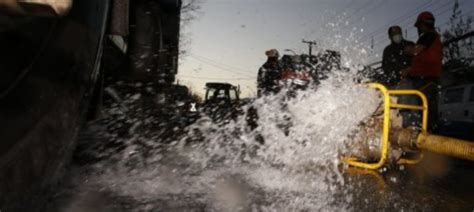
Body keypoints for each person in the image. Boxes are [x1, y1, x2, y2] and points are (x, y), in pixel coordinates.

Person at [399, 11, 443, 130]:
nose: (419, 28)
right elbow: (422, 60)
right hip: (426, 80)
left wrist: (406, 49)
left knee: (426, 113)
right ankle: (426, 134)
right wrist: (409, 70)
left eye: (419, 26)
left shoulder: (428, 36)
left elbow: (415, 51)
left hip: (426, 82)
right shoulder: (432, 39)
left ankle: (429, 138)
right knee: (423, 112)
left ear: (422, 24)